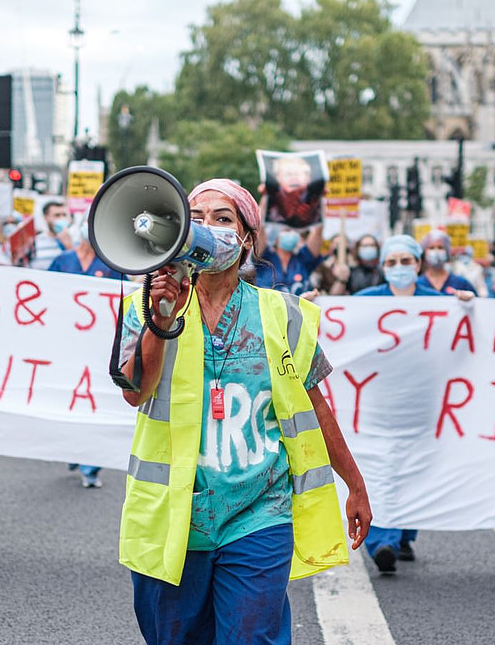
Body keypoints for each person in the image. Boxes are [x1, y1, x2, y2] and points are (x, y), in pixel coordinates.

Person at [117, 178, 372, 645]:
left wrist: (354, 484)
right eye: (194, 219)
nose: (208, 228)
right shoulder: (144, 306)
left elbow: (317, 407)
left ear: (247, 239)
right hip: (175, 517)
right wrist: (162, 318)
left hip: (260, 513)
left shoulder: (285, 315)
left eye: (223, 219)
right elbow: (135, 391)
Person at [355, 235, 472, 572]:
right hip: (379, 400)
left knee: (413, 466)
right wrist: (317, 303)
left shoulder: (438, 302)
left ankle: (404, 531)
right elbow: (336, 324)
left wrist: (466, 306)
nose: (399, 269)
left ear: (418, 265)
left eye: (406, 262)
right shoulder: (366, 301)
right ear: (382, 267)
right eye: (392, 263)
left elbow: (463, 341)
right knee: (382, 466)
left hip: (424, 402)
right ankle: (383, 540)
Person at [49, 220, 122, 488]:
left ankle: (90, 464)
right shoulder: (63, 260)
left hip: (99, 346)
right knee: (68, 399)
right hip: (66, 345)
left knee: (94, 401)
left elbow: (124, 298)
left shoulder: (112, 264)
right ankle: (73, 449)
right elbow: (48, 292)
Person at [254, 223, 325, 295]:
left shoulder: (302, 259)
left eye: (295, 231)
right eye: (287, 230)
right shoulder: (264, 258)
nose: (291, 234)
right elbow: (260, 228)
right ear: (276, 236)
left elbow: (318, 231)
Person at [265, 155, 322, 228]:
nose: (294, 177)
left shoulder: (315, 199)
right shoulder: (271, 198)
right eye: (288, 174)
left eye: (298, 174)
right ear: (278, 178)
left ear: (308, 177)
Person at [419, 231, 476, 295]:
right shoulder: (418, 284)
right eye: (431, 248)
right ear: (424, 252)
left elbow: (475, 301)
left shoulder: (461, 283)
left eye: (440, 247)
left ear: (447, 251)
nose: (436, 251)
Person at [31, 201, 74, 270]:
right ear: (46, 218)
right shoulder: (35, 242)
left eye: (64, 215)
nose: (61, 218)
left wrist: (69, 247)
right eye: (57, 215)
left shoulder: (75, 240)